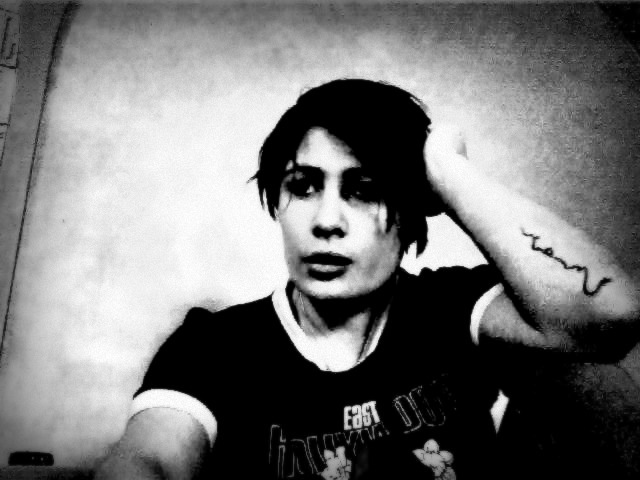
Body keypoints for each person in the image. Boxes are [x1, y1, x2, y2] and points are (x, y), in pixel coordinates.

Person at [95, 79, 639, 479]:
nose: (326, 221)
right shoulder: (214, 348)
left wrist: (449, 172)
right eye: (303, 186)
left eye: (363, 190)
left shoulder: (453, 308)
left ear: (413, 208)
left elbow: (611, 314)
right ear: (277, 203)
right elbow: (152, 458)